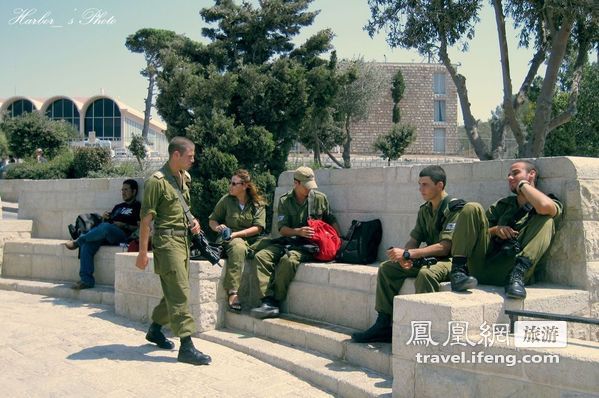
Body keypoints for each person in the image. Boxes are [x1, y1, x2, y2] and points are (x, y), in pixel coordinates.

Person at [352, 165, 465, 343]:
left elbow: (445, 247)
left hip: (452, 261)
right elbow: (414, 239)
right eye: (420, 184)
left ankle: (426, 330)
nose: (421, 189)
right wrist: (405, 256)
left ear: (440, 185)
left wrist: (409, 254)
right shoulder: (425, 209)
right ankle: (383, 325)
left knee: (426, 274)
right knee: (388, 268)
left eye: (425, 185)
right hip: (430, 258)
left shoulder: (454, 209)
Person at [135, 136, 211, 366]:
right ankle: (186, 346)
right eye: (189, 156)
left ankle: (156, 329)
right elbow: (146, 221)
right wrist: (142, 253)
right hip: (167, 244)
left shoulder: (183, 178)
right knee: (179, 292)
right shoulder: (156, 182)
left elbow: (179, 209)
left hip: (183, 242)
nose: (193, 160)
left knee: (175, 290)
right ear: (175, 155)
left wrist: (193, 221)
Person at [450, 160, 563, 299]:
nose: (510, 178)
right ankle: (457, 272)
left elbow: (545, 207)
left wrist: (522, 184)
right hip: (482, 266)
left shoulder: (548, 201)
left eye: (515, 173)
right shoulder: (503, 205)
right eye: (509, 175)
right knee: (471, 207)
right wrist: (496, 230)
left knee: (547, 220)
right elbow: (478, 233)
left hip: (513, 273)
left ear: (531, 174)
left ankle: (517, 276)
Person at [250, 166, 340, 319]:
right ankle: (267, 299)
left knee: (288, 260)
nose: (309, 189)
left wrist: (338, 241)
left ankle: (275, 300)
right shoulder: (285, 200)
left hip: (310, 245)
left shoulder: (319, 198)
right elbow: (282, 229)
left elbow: (331, 221)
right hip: (290, 239)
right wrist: (298, 231)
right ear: (296, 183)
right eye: (306, 186)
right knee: (261, 256)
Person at [64, 179, 141, 289]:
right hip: (107, 232)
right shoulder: (117, 207)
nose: (123, 192)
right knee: (87, 246)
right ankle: (86, 280)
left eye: (126, 190)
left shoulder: (138, 207)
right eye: (122, 190)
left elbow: (141, 227)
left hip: (122, 236)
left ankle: (79, 240)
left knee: (104, 228)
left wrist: (124, 225)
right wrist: (105, 218)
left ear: (134, 192)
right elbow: (106, 223)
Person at [208, 169, 267, 312]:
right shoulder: (226, 200)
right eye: (231, 182)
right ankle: (233, 292)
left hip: (251, 239)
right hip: (229, 238)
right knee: (238, 247)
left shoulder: (257, 204)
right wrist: (218, 228)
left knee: (270, 249)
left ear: (245, 185)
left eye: (234, 183)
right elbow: (212, 220)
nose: (231, 186)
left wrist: (238, 234)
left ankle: (266, 297)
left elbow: (258, 228)